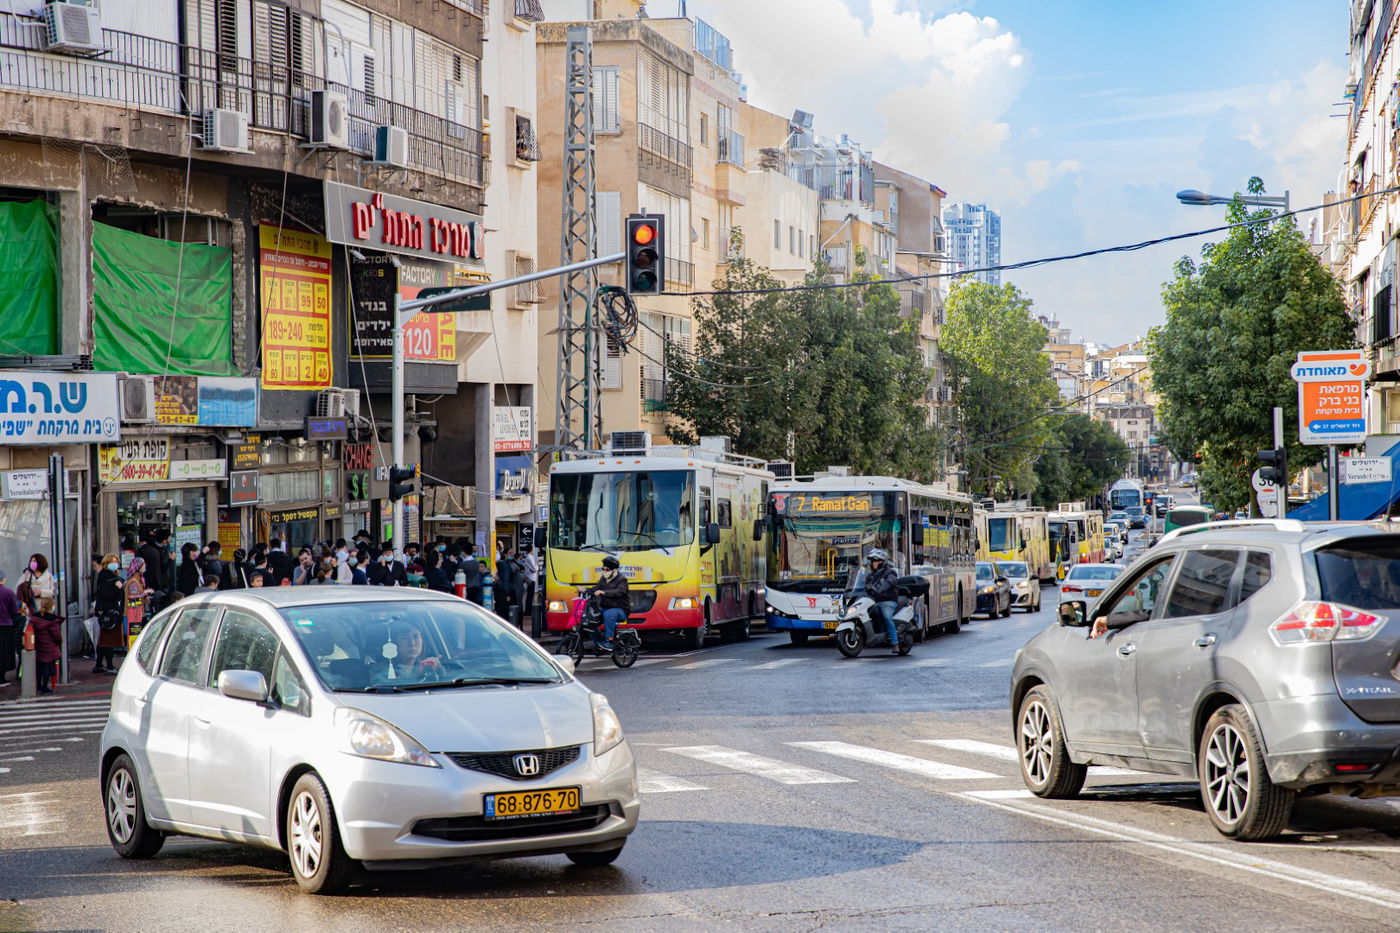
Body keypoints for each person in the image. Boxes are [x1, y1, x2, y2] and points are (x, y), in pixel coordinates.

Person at [864, 548, 902, 656]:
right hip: (874, 601)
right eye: (872, 561)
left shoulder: (890, 572)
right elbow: (865, 587)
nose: (873, 563)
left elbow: (890, 582)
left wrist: (880, 589)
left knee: (886, 616)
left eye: (876, 561)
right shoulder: (870, 576)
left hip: (888, 601)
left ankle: (895, 643)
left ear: (882, 562)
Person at [589, 555, 630, 651]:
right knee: (590, 622)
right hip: (605, 608)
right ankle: (600, 643)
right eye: (602, 569)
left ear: (614, 571)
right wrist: (586, 590)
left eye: (606, 569)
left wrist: (603, 592)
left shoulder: (622, 579)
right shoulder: (603, 579)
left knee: (609, 614)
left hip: (621, 609)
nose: (604, 571)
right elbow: (596, 588)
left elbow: (620, 591)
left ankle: (609, 641)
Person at [93, 553, 125, 674]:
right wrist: (117, 587)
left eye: (116, 560)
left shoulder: (112, 575)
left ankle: (99, 664)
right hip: (108, 611)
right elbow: (105, 594)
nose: (115, 563)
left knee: (104, 639)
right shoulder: (106, 575)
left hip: (109, 610)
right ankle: (110, 666)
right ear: (106, 563)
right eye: (112, 561)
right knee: (109, 640)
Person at [29, 598, 63, 694]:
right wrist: (59, 642)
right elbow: (57, 636)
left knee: (39, 667)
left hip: (38, 646)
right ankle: (44, 687)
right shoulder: (52, 620)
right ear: (51, 606)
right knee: (48, 668)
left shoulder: (34, 618)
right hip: (49, 647)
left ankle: (38, 685)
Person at [124, 557, 154, 646]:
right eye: (143, 564)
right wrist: (145, 592)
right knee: (134, 639)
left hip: (137, 614)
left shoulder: (138, 580)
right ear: (138, 567)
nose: (145, 566)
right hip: (134, 615)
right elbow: (133, 600)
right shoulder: (133, 582)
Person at [0, 570, 19, 687]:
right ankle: (2, 677)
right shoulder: (8, 592)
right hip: (5, 626)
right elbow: (14, 610)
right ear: (3, 579)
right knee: (5, 652)